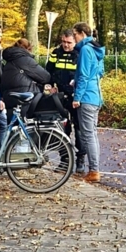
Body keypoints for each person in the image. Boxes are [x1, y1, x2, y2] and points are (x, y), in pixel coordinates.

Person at [45, 29, 86, 173]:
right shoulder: (56, 53)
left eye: (69, 42)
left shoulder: (80, 54)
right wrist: (50, 86)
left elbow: (83, 75)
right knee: (62, 130)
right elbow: (48, 71)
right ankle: (64, 161)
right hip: (60, 96)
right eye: (63, 42)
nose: (66, 45)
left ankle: (80, 161)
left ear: (75, 41)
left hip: (75, 97)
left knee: (79, 130)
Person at [71, 22, 105, 183]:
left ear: (82, 34)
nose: (74, 38)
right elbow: (99, 72)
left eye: (75, 34)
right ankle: (94, 168)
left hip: (86, 97)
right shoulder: (96, 49)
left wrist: (77, 97)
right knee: (93, 134)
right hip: (96, 95)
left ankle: (94, 170)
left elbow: (84, 75)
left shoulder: (85, 49)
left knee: (88, 135)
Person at [1, 38, 51, 123]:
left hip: (9, 96)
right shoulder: (25, 60)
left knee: (12, 126)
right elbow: (45, 77)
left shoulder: (9, 60)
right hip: (25, 98)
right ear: (28, 49)